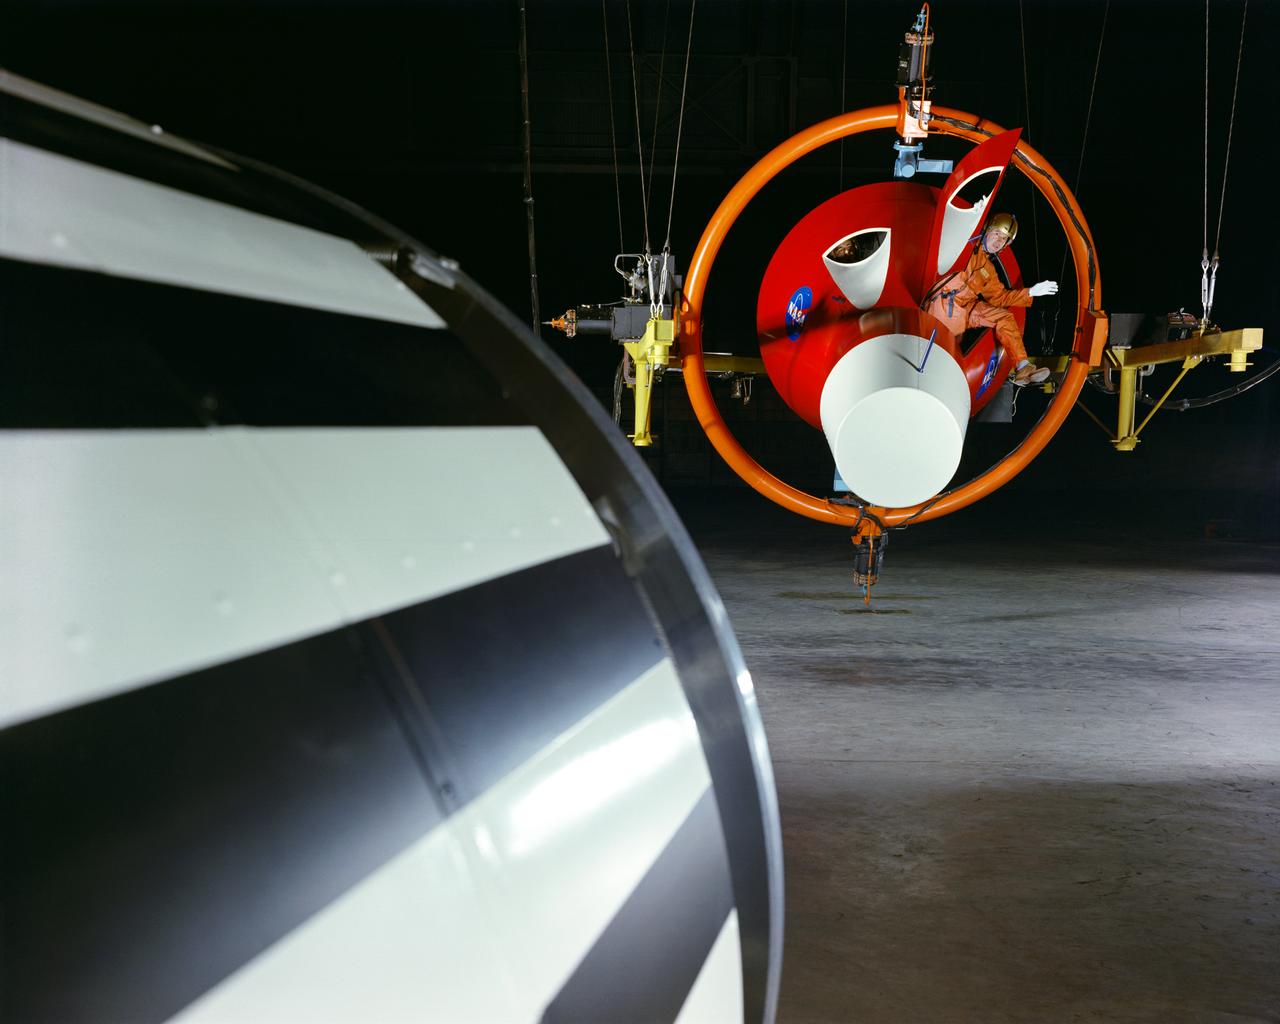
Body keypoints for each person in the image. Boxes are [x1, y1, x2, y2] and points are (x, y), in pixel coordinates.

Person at [925, 212, 1057, 386]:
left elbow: (1000, 298)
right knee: (941, 356)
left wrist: (1030, 292)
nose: (998, 241)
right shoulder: (964, 247)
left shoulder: (988, 270)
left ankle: (1023, 367)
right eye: (996, 234)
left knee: (1004, 317)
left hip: (967, 310)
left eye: (1004, 239)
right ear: (987, 230)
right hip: (943, 307)